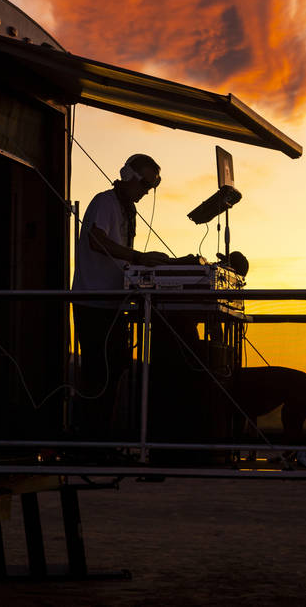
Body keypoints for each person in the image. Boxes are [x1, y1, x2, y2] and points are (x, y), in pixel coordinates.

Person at [72, 153, 171, 438]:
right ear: (128, 177)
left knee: (113, 369)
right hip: (93, 303)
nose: (146, 192)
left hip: (111, 303)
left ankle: (100, 438)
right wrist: (141, 258)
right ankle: (89, 439)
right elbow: (96, 240)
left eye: (151, 187)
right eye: (144, 185)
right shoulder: (105, 202)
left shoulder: (126, 208)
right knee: (97, 374)